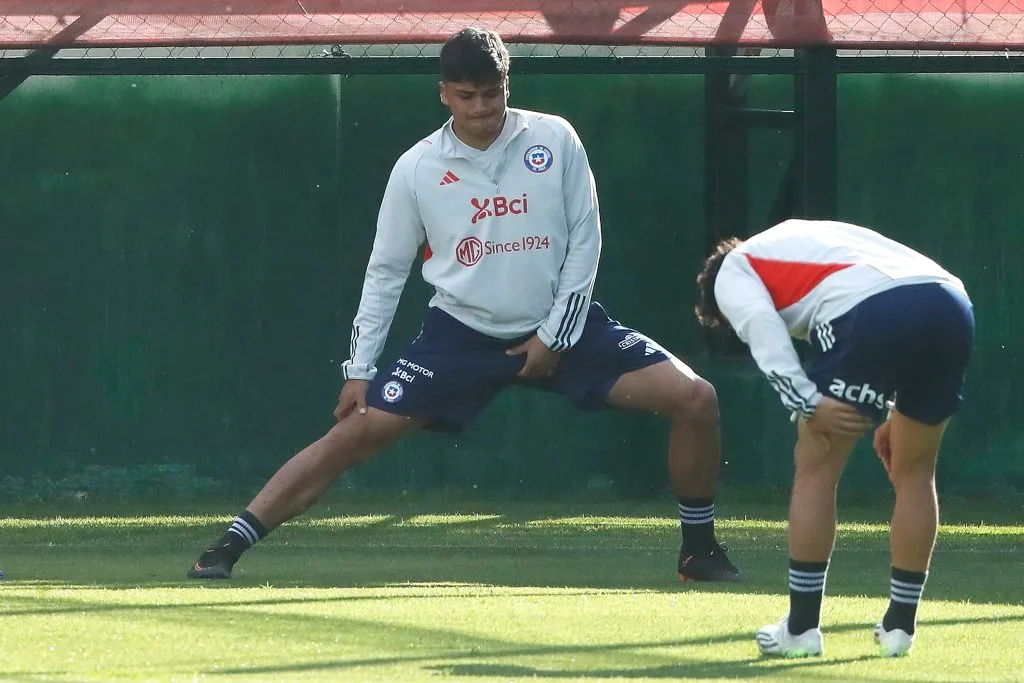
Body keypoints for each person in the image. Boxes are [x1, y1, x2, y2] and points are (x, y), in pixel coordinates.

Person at [186, 27, 740, 584]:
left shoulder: (557, 138)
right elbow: (385, 271)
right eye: (466, 96)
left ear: (507, 85)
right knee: (352, 433)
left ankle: (699, 552)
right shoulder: (417, 168)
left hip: (564, 331)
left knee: (696, 399)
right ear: (444, 94)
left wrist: (555, 337)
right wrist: (359, 370)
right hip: (460, 336)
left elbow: (585, 242)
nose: (481, 109)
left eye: (491, 94)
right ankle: (229, 546)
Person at [694, 218, 974, 657]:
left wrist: (806, 401)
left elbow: (766, 335)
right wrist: (894, 410)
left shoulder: (735, 269)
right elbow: (903, 299)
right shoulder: (799, 238)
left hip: (874, 309)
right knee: (916, 470)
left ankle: (802, 630)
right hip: (952, 302)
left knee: (816, 466)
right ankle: (900, 628)